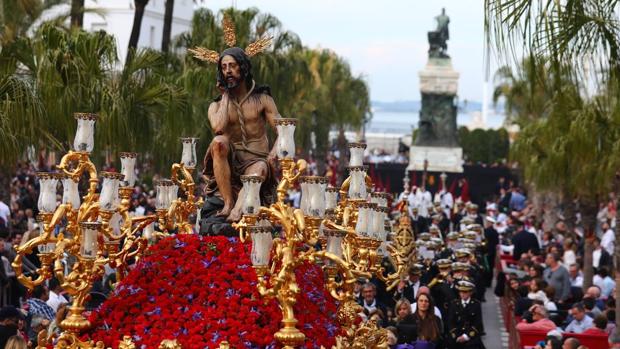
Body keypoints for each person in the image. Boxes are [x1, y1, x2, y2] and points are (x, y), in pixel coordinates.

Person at [199, 46, 281, 222]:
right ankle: (227, 203)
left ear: (243, 67)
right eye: (224, 67)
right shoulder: (216, 106)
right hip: (229, 164)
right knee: (218, 142)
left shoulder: (263, 100)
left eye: (232, 65)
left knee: (259, 169)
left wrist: (273, 155)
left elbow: (284, 131)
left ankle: (237, 211)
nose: (228, 70)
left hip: (257, 162)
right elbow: (218, 128)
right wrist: (226, 96)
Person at [447, 280, 484, 349]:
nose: (462, 294)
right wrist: (457, 335)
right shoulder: (454, 304)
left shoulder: (476, 304)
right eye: (461, 291)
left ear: (471, 292)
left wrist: (466, 336)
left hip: (471, 337)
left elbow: (477, 323)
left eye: (465, 292)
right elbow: (450, 321)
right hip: (457, 336)